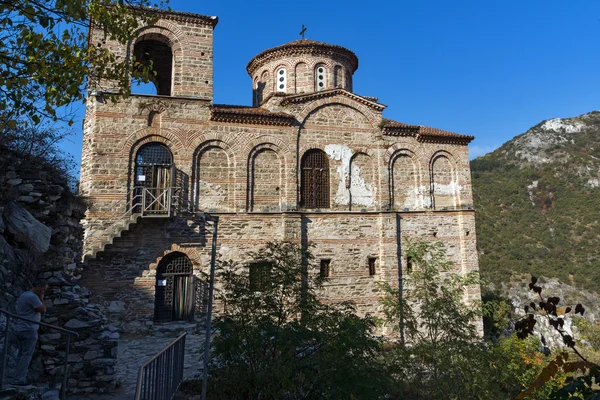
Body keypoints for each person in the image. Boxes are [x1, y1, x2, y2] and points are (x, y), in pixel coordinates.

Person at [10, 279, 48, 386]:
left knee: (21, 354)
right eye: (43, 290)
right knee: (26, 355)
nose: (43, 292)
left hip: (21, 328)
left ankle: (16, 377)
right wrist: (42, 298)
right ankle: (18, 380)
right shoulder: (33, 297)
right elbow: (43, 309)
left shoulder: (23, 295)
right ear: (39, 286)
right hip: (29, 329)